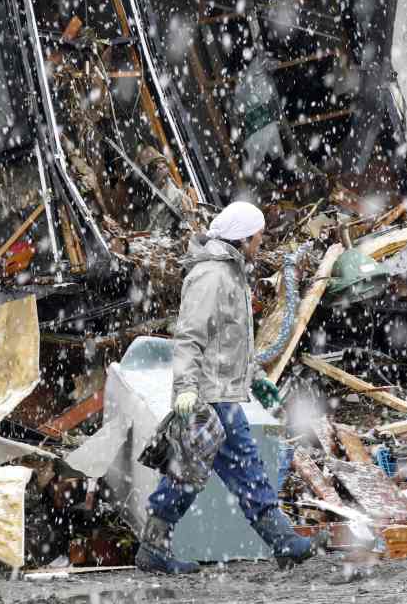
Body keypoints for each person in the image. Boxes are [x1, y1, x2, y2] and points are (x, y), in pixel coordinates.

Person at [136, 201, 316, 574]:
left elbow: (230, 340)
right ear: (244, 237)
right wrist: (186, 387)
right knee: (205, 470)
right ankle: (279, 539)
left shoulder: (230, 272)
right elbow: (191, 336)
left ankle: (279, 539)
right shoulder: (212, 276)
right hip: (205, 396)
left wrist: (256, 378)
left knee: (210, 469)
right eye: (259, 237)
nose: (261, 244)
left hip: (222, 392)